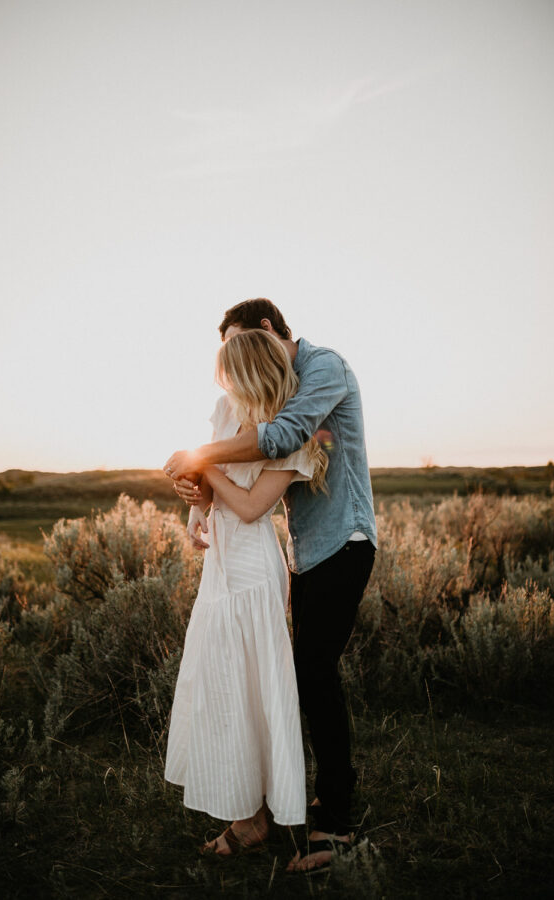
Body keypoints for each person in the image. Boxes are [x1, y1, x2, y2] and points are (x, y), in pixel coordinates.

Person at [165, 298, 378, 874]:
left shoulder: (323, 369)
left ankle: (333, 821)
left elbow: (281, 438)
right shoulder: (249, 400)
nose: (233, 366)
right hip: (305, 553)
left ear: (265, 334)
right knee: (297, 674)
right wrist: (200, 485)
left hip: (345, 541)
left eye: (241, 349)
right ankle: (291, 800)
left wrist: (199, 460)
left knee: (311, 671)